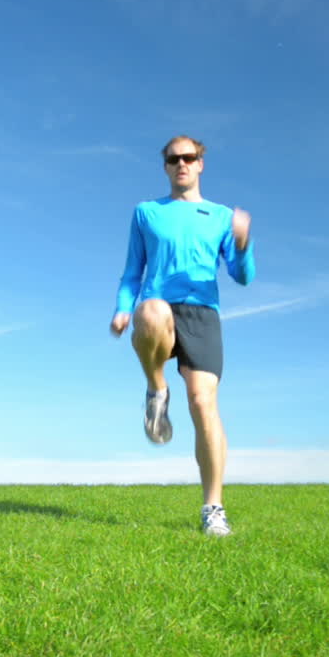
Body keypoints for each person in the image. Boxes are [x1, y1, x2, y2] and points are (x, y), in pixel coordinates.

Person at [110, 135, 256, 536]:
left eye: (189, 157)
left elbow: (243, 276)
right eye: (173, 159)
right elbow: (132, 271)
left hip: (203, 313)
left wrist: (242, 244)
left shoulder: (222, 216)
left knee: (203, 404)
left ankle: (213, 508)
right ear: (166, 167)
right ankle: (156, 389)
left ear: (201, 163)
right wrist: (123, 308)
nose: (182, 164)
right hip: (159, 308)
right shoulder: (147, 213)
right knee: (151, 309)